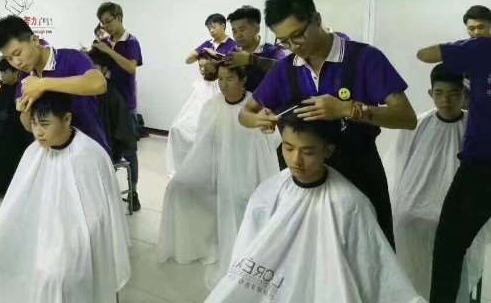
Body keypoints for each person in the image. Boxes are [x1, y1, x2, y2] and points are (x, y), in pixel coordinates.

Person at [240, 0, 417, 247]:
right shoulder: (285, 69)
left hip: (358, 168)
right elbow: (245, 114)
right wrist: (259, 119)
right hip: (303, 176)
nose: (293, 47)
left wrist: (348, 109)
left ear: (316, 19)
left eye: (297, 35)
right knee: (306, 248)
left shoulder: (364, 59)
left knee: (366, 247)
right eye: (284, 41)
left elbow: (406, 117)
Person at [205, 114, 425, 303]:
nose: (296, 160)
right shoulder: (268, 193)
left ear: (328, 150)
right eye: (288, 148)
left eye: (308, 152)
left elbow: (374, 267)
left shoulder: (350, 204)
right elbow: (247, 253)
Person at [0, 92, 130, 303]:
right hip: (35, 232)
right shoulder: (33, 152)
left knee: (53, 276)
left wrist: (72, 243)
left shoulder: (90, 155)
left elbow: (100, 217)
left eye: (45, 124)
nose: (38, 132)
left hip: (74, 236)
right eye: (34, 123)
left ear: (67, 119)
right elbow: (13, 208)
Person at [157, 64, 279, 289]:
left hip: (248, 170)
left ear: (243, 80)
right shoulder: (212, 105)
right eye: (220, 79)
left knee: (240, 200)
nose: (223, 85)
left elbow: (272, 141)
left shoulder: (254, 106)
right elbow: (203, 143)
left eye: (229, 79)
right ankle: (192, 244)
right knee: (177, 187)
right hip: (217, 167)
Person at [388, 64, 488, 300]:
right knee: (403, 221)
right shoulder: (418, 124)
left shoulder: (478, 128)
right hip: (415, 201)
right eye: (439, 93)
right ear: (430, 93)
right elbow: (399, 165)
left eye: (454, 94)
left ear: (465, 95)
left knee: (455, 237)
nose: (446, 100)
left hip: (461, 206)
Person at [417, 35, 491, 303]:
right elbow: (424, 55)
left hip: (481, 167)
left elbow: (425, 54)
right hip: (480, 168)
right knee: (449, 247)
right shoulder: (483, 49)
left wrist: (470, 52)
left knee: (448, 248)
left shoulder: (482, 49)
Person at [0, 15, 110, 152]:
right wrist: (25, 110)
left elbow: (99, 84)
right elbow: (28, 126)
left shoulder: (71, 58)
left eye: (18, 53)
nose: (16, 62)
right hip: (53, 152)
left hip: (89, 147)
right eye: (9, 59)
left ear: (35, 40)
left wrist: (43, 84)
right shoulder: (24, 77)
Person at [94, 1, 143, 208]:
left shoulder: (131, 42)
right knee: (106, 148)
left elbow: (131, 67)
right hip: (106, 103)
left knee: (129, 150)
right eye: (103, 23)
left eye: (109, 21)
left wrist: (109, 51)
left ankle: (133, 192)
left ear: (119, 17)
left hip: (126, 104)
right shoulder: (105, 41)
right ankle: (107, 191)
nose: (106, 27)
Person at [88, 49, 140, 210]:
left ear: (105, 69)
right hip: (91, 143)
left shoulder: (113, 96)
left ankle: (133, 193)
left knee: (130, 152)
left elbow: (124, 137)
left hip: (109, 145)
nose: (88, 72)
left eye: (93, 67)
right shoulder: (84, 91)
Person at [0, 58, 33, 195]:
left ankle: (11, 187)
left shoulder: (22, 88)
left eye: (5, 72)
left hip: (18, 131)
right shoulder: (2, 91)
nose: (2, 76)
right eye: (1, 72)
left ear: (15, 72)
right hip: (1, 129)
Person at [165, 58, 220, 176]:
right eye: (200, 67)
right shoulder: (200, 86)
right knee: (176, 129)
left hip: (210, 124)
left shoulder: (218, 89)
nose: (202, 69)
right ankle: (184, 169)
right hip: (194, 118)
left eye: (203, 67)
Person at [224, 5, 287, 91]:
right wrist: (212, 70)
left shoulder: (273, 51)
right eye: (234, 31)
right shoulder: (233, 52)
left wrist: (251, 60)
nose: (238, 35)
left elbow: (285, 71)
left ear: (257, 29)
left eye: (242, 30)